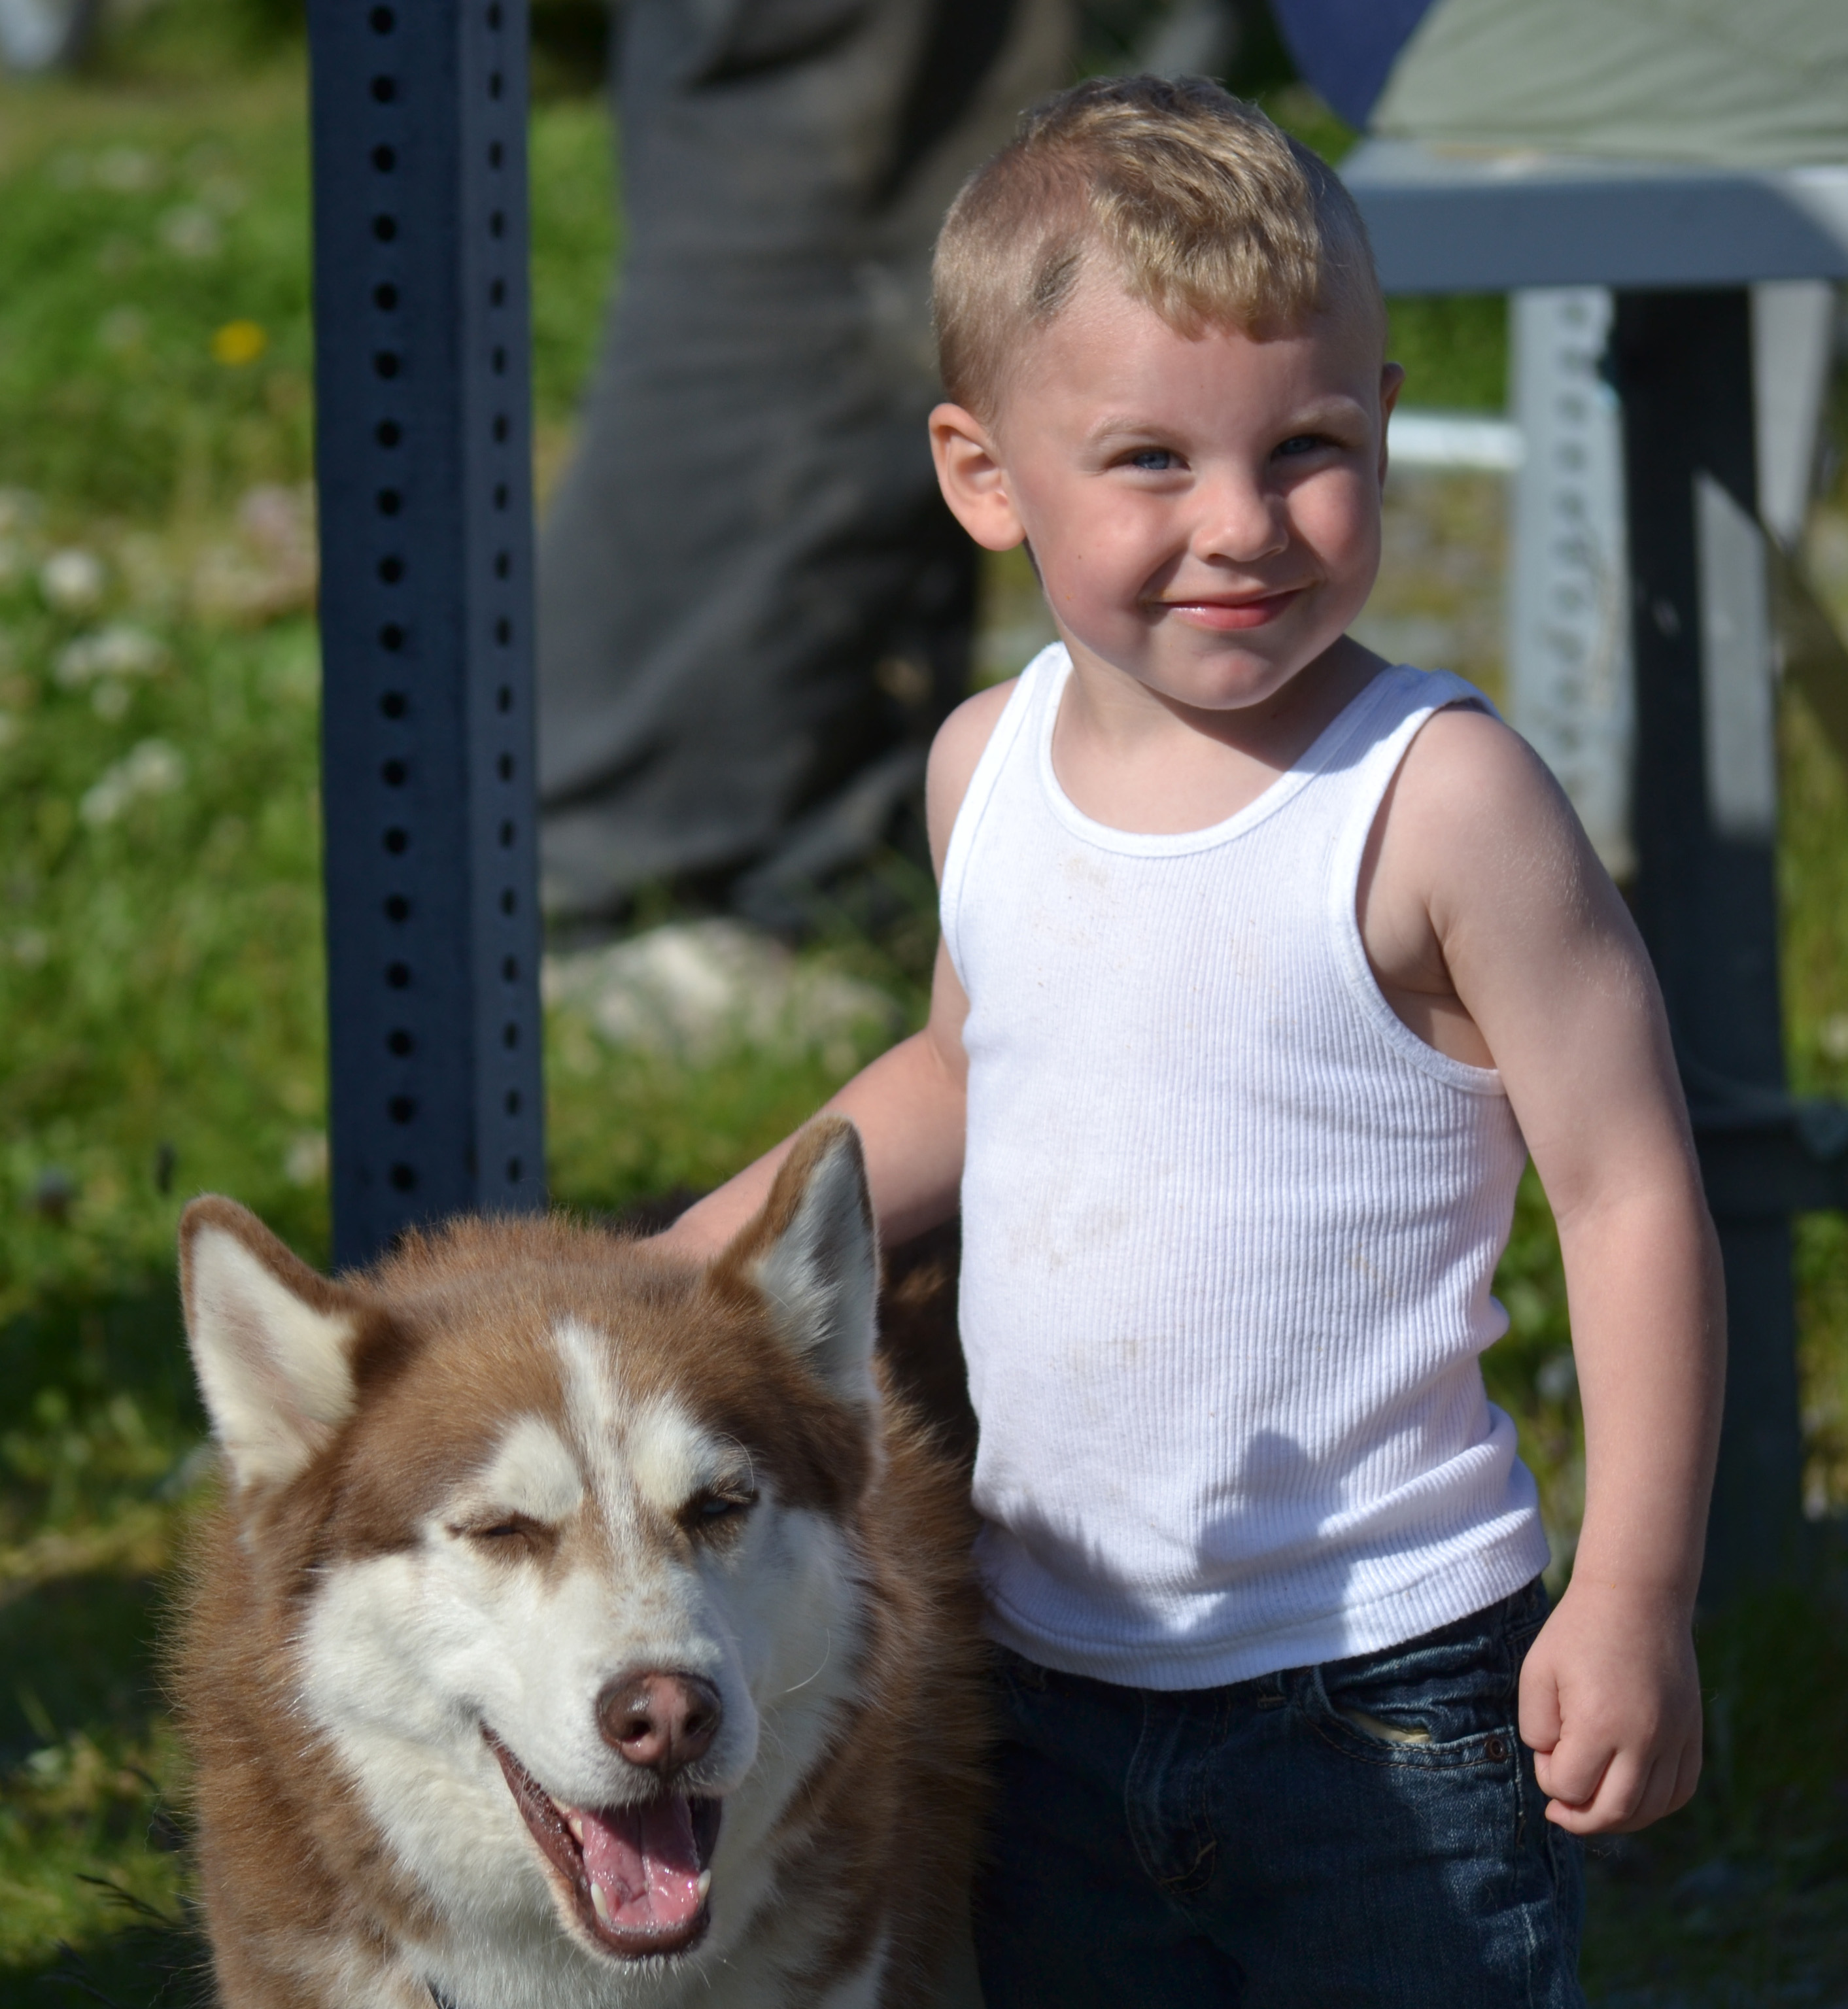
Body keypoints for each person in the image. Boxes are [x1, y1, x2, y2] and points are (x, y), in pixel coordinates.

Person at [658, 74, 1724, 2005]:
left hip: (1385, 1691)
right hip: (1048, 1661)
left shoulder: (1434, 798)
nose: (1241, 526)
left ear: (1386, 428)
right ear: (985, 477)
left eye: (1306, 447)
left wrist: (1633, 1587)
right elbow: (967, 1077)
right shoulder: (984, 769)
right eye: (1146, 460)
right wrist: (693, 1262)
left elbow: (1629, 1190)